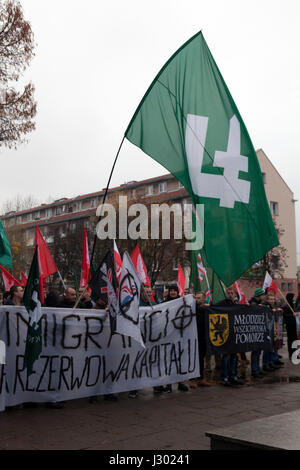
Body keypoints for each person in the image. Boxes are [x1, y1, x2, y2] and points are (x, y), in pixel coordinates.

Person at [215, 286, 244, 386]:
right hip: (226, 334)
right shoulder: (222, 304)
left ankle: (233, 375)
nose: (230, 295)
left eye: (232, 293)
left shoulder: (236, 305)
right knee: (226, 357)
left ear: (235, 294)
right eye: (228, 293)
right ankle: (225, 377)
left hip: (234, 334)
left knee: (234, 356)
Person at [163, 285, 189, 393]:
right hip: (169, 335)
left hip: (180, 334)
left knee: (180, 359)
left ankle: (180, 382)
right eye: (171, 291)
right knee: (169, 360)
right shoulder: (165, 303)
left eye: (174, 290)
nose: (173, 292)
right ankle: (168, 384)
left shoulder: (182, 301)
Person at [189, 292, 211, 388]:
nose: (197, 300)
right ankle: (191, 379)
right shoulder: (193, 307)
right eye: (196, 298)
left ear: (203, 299)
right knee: (193, 359)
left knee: (201, 359)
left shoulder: (207, 309)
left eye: (199, 298)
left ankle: (201, 378)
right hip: (193, 337)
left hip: (203, 337)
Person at [249, 288, 266, 379]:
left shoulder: (258, 303)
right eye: (263, 295)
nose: (264, 296)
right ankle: (254, 370)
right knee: (255, 352)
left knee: (258, 352)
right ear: (259, 295)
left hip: (258, 331)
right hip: (254, 332)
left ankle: (257, 369)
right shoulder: (253, 303)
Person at [283, 293, 298, 361]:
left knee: (295, 340)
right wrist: (292, 314)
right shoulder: (286, 306)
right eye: (292, 297)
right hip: (289, 325)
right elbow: (285, 315)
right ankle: (291, 355)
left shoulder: (294, 305)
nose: (293, 298)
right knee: (291, 340)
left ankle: (295, 354)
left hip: (294, 325)